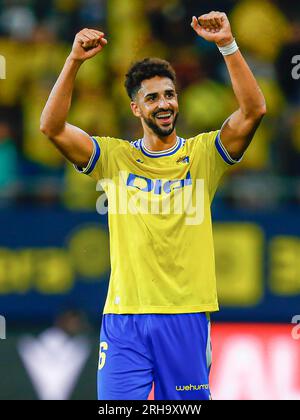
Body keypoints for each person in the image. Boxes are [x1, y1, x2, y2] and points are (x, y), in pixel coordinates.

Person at [40, 11, 266, 400]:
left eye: (169, 94)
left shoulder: (202, 156)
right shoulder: (114, 158)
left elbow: (253, 111)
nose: (164, 104)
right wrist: (73, 61)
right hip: (123, 319)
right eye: (152, 98)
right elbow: (52, 127)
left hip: (185, 317)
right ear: (136, 109)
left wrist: (227, 45)